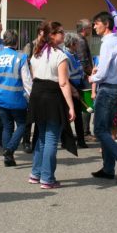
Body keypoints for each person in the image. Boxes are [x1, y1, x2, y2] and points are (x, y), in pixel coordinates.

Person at [28, 21, 76, 189]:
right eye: (60, 32)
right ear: (52, 35)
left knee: (41, 136)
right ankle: (47, 178)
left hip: (37, 95)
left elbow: (34, 77)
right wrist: (70, 106)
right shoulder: (60, 56)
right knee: (51, 138)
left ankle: (36, 173)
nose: (63, 35)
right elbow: (63, 83)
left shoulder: (36, 54)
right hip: (52, 96)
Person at [89, 11, 117, 184]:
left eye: (96, 23)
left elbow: (104, 69)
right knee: (106, 129)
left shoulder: (108, 43)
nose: (95, 26)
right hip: (116, 88)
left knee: (100, 129)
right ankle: (108, 168)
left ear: (106, 24)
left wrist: (93, 77)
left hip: (108, 88)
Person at [0, 29, 32, 167]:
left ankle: (8, 157)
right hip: (17, 98)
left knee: (7, 127)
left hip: (0, 97)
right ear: (17, 41)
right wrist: (30, 98)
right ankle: (9, 149)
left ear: (4, 40)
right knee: (23, 125)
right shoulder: (21, 57)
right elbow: (27, 81)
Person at [63, 32, 88, 148]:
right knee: (69, 115)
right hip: (71, 87)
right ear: (72, 44)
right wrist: (74, 90)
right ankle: (66, 140)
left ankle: (80, 140)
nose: (78, 45)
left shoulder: (74, 55)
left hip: (78, 85)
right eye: (77, 43)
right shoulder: (65, 56)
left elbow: (79, 70)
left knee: (77, 115)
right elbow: (66, 76)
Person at [75, 19, 94, 137]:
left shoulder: (79, 40)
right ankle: (85, 132)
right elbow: (83, 62)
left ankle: (84, 131)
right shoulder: (80, 41)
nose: (91, 30)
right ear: (84, 29)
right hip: (84, 77)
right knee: (87, 105)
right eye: (89, 28)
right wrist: (91, 74)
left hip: (81, 76)